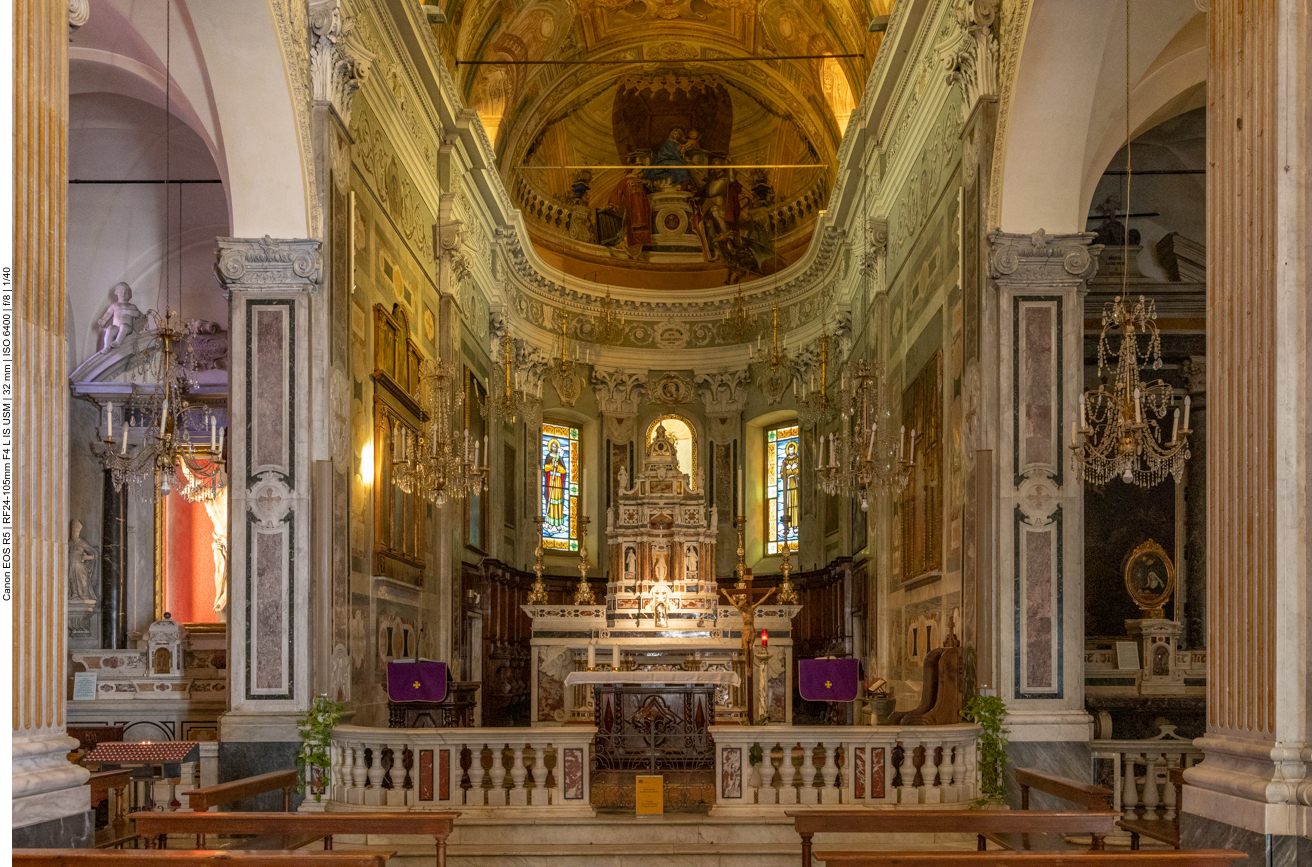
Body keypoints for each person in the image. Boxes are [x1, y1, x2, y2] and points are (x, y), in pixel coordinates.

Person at [97, 282, 143, 350]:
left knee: (123, 326)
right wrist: (103, 320)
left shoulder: (131, 306)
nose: (123, 293)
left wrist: (127, 312)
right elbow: (108, 314)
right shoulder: (114, 305)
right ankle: (106, 347)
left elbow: (137, 314)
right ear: (116, 292)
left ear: (129, 294)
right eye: (121, 291)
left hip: (127, 328)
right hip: (116, 327)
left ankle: (118, 342)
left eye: (126, 292)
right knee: (110, 328)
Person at [67, 520, 98, 602]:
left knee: (82, 579)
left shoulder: (82, 542)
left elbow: (92, 554)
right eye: (73, 531)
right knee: (71, 578)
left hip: (80, 565)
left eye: (76, 531)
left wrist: (87, 557)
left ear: (79, 532)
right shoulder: (69, 543)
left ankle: (84, 595)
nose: (74, 533)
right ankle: (74, 594)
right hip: (70, 564)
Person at [544, 439, 568, 526]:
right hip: (551, 481)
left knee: (558, 502)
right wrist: (551, 465)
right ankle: (550, 521)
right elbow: (546, 468)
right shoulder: (548, 457)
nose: (554, 448)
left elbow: (563, 471)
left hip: (558, 482)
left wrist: (557, 466)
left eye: (555, 446)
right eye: (553, 446)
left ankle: (558, 522)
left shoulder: (560, 458)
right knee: (550, 501)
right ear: (550, 447)